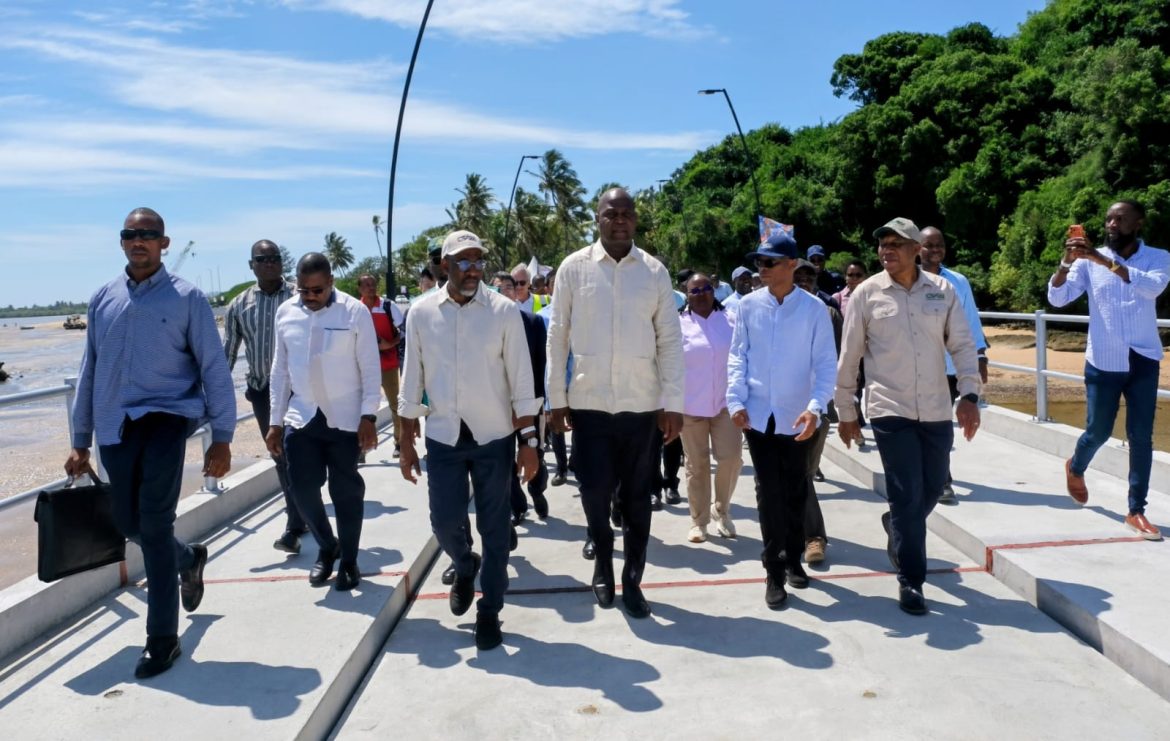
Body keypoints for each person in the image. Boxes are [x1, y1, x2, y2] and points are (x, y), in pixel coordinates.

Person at [66, 207, 235, 679]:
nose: (138, 240)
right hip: (115, 424)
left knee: (155, 525)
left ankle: (162, 639)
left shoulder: (188, 298)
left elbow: (214, 367)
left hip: (166, 418)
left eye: (147, 234)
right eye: (130, 234)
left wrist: (222, 436)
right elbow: (89, 370)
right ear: (122, 242)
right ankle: (189, 558)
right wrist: (80, 440)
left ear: (164, 242)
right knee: (127, 523)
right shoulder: (103, 299)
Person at [399, 231, 540, 650]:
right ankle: (464, 564)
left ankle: (490, 610)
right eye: (463, 261)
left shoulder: (503, 312)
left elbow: (522, 380)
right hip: (443, 436)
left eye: (478, 260)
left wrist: (529, 441)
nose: (473, 269)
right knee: (444, 521)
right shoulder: (421, 313)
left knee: (495, 529)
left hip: (494, 436)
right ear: (444, 266)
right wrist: (406, 441)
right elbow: (411, 379)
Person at [548, 187, 685, 619]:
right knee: (593, 491)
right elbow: (558, 335)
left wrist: (672, 401)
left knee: (639, 499)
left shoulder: (654, 272)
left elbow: (670, 340)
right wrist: (556, 398)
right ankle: (604, 564)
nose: (620, 220)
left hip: (641, 405)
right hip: (588, 403)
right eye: (611, 213)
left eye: (627, 213)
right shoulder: (574, 268)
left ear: (635, 220)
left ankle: (633, 579)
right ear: (598, 219)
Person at [835, 217, 981, 616]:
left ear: (917, 249)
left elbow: (963, 345)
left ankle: (897, 523)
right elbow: (850, 356)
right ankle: (911, 580)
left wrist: (969, 394)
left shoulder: (942, 291)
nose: (887, 250)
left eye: (896, 244)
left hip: (935, 407)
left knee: (932, 487)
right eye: (883, 244)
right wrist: (846, 411)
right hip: (889, 408)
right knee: (906, 492)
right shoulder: (866, 294)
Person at [1049, 200, 1169, 540]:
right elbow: (1058, 298)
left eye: (1120, 219)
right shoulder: (1087, 262)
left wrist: (1102, 260)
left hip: (1143, 358)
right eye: (1108, 219)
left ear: (1138, 223)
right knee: (1098, 432)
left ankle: (1136, 510)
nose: (1112, 224)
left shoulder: (1159, 257)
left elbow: (1152, 287)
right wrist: (1066, 263)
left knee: (1141, 436)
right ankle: (1076, 466)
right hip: (1103, 359)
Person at [728, 233, 837, 609]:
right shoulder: (747, 306)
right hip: (758, 416)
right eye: (759, 262)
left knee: (795, 490)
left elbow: (825, 365)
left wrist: (816, 407)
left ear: (792, 265)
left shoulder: (814, 310)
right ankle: (773, 570)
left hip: (798, 417)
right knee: (768, 493)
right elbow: (737, 356)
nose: (762, 268)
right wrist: (734, 399)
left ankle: (793, 558)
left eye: (770, 262)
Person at [266, 253, 380, 593]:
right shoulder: (286, 313)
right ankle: (328, 545)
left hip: (345, 419)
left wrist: (369, 416)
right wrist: (274, 421)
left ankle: (349, 561)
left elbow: (370, 368)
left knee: (345, 493)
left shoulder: (354, 312)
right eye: (304, 290)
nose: (310, 297)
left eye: (317, 290)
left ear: (331, 282)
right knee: (300, 489)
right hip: (301, 417)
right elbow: (280, 371)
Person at [224, 240, 305, 552]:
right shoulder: (239, 305)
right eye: (262, 259)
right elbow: (228, 354)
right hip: (263, 394)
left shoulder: (300, 296)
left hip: (302, 392)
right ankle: (295, 523)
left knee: (303, 457)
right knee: (281, 456)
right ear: (251, 265)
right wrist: (212, 396)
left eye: (274, 258)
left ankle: (300, 515)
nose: (270, 263)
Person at [920, 227, 990, 504]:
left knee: (941, 425)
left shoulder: (958, 281)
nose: (935, 250)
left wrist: (980, 357)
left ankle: (942, 481)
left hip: (951, 367)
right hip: (918, 366)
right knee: (923, 424)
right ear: (917, 248)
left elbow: (971, 319)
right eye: (928, 245)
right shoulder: (907, 280)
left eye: (939, 244)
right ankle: (929, 473)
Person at [678, 273, 742, 543]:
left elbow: (743, 358)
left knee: (731, 459)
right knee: (697, 465)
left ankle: (722, 510)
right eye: (695, 290)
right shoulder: (677, 324)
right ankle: (698, 520)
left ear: (714, 291)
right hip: (690, 406)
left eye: (706, 288)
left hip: (726, 405)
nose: (701, 294)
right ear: (686, 294)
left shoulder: (731, 320)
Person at [793, 259, 844, 564]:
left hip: (815, 408)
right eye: (797, 277)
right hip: (776, 409)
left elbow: (835, 361)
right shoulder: (770, 310)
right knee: (780, 477)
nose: (803, 282)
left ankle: (811, 535)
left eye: (809, 278)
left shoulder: (829, 314)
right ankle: (804, 535)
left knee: (803, 474)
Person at [491, 272, 550, 523]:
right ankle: (518, 505)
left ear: (516, 291)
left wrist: (543, 403)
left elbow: (542, 364)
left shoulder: (533, 322)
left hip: (530, 404)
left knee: (535, 450)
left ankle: (537, 491)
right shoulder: (486, 326)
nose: (504, 293)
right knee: (505, 460)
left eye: (508, 287)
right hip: (499, 406)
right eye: (497, 289)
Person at [357, 273, 405, 458]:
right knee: (361, 409)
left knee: (395, 405)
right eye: (366, 284)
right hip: (363, 366)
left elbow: (403, 331)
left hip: (388, 364)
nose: (371, 287)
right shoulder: (356, 308)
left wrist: (389, 344)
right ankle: (360, 448)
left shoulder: (387, 306)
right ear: (359, 289)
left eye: (373, 284)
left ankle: (399, 443)